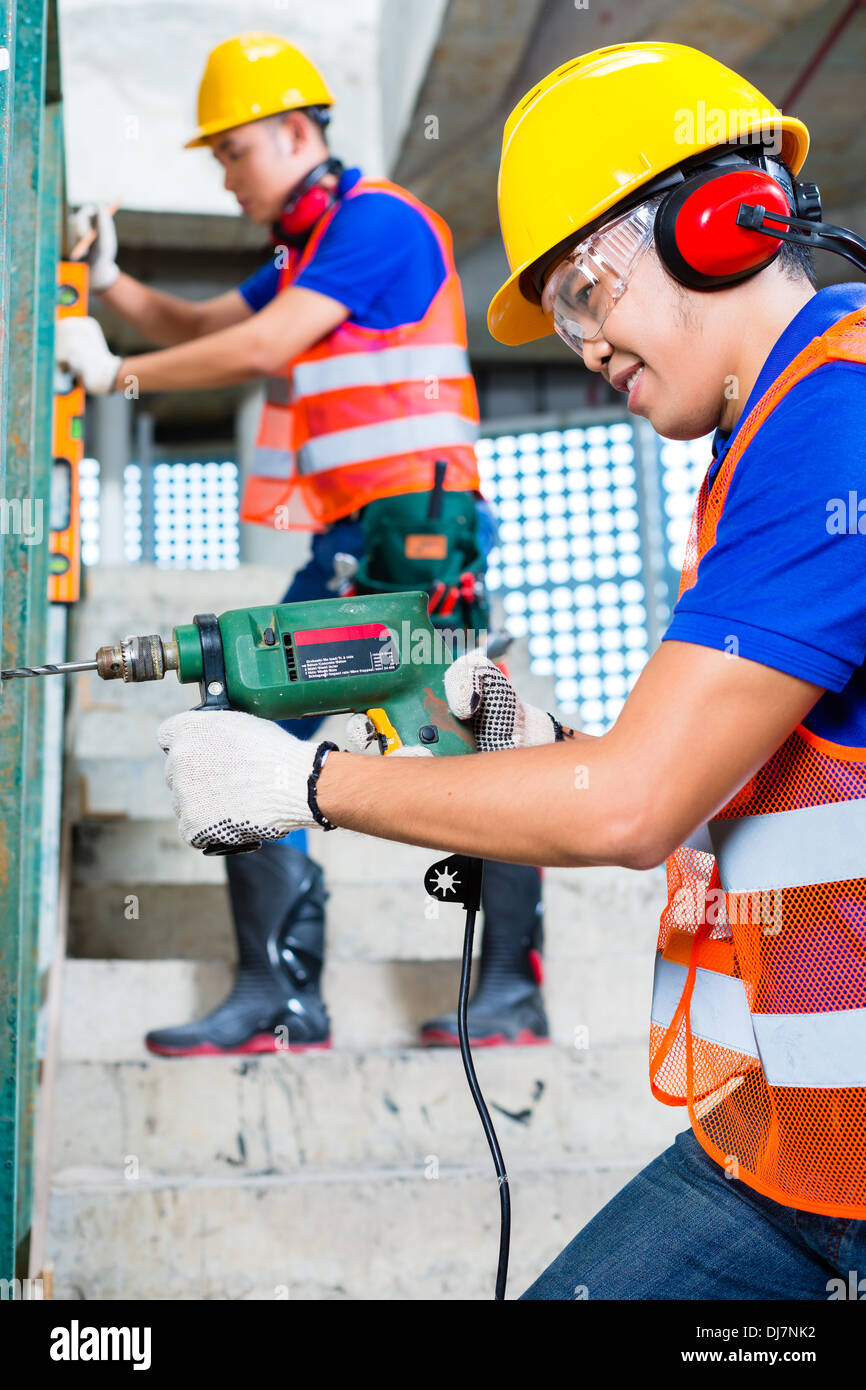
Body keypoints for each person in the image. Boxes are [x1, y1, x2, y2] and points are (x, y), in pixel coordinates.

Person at [157, 41, 866, 1298]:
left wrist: (309, 785)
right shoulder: (756, 443)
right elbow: (738, 787)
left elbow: (630, 807)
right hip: (802, 1142)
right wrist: (557, 750)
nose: (582, 344)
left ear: (721, 221)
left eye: (586, 293)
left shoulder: (834, 413)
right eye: (558, 319)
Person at [58, 32, 547, 1055]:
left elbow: (260, 348)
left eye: (233, 150)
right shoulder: (313, 250)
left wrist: (117, 378)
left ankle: (319, 995)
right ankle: (461, 992)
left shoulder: (377, 224)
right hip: (366, 542)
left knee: (276, 715)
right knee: (446, 739)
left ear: (294, 131)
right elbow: (197, 323)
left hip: (400, 545)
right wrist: (108, 285)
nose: (226, 175)